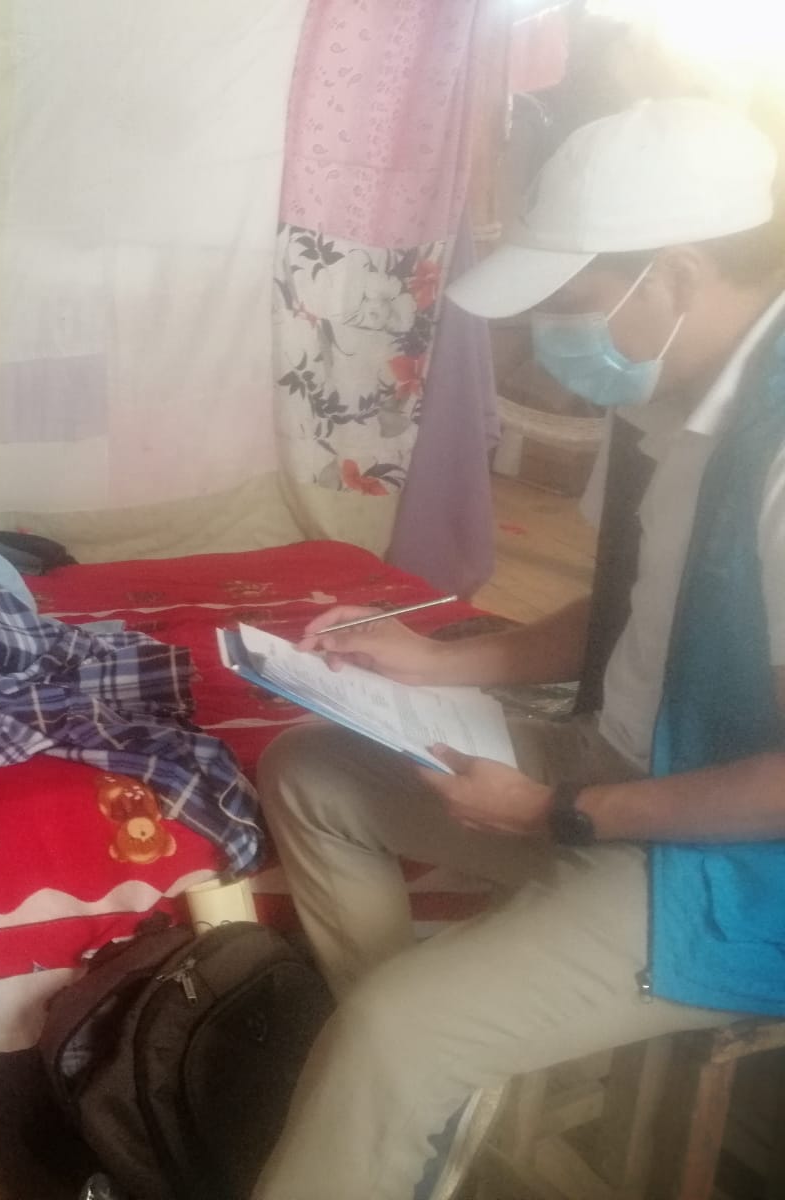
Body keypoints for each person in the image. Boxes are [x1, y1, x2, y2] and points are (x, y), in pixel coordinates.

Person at [251, 98, 785, 1200]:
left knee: (393, 1036)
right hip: (619, 767)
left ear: (676, 279)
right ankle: (428, 1100)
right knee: (311, 772)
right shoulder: (669, 399)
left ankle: (406, 1069)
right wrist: (431, 663)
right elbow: (634, 609)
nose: (551, 340)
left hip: (735, 863)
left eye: (573, 304)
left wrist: (559, 813)